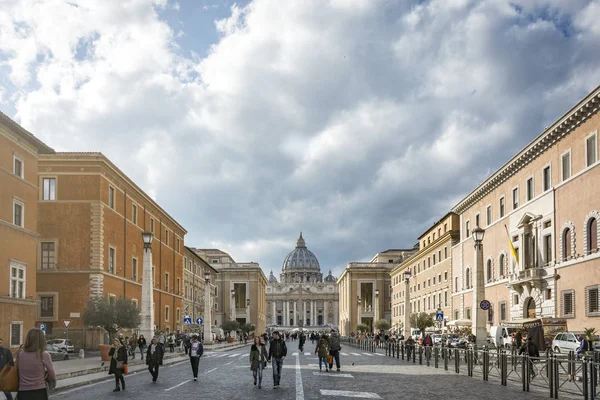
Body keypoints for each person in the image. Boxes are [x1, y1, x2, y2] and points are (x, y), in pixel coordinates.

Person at [15, 328, 56, 400]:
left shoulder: (19, 354)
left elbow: (17, 371)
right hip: (39, 391)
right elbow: (52, 374)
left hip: (23, 392)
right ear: (42, 340)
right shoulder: (44, 354)